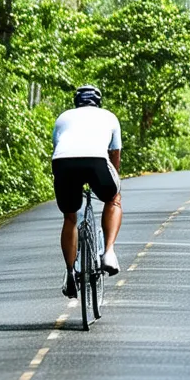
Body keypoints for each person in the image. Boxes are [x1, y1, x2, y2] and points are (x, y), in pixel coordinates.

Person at [51, 85, 124, 299]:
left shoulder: (63, 117)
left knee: (70, 218)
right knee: (114, 199)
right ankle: (109, 253)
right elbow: (114, 155)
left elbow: (57, 149)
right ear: (98, 102)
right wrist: (111, 183)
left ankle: (70, 272)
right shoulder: (109, 117)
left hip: (63, 164)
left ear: (77, 102)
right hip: (97, 162)